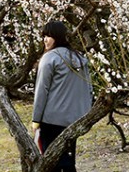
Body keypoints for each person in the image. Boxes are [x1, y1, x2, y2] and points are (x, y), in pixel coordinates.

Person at [32, 20, 93, 172]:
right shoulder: (79, 57)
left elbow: (41, 90)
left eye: (49, 36)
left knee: (51, 162)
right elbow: (88, 87)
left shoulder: (49, 58)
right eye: (44, 36)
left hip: (51, 120)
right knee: (68, 160)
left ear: (58, 37)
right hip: (74, 119)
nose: (45, 40)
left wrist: (36, 119)